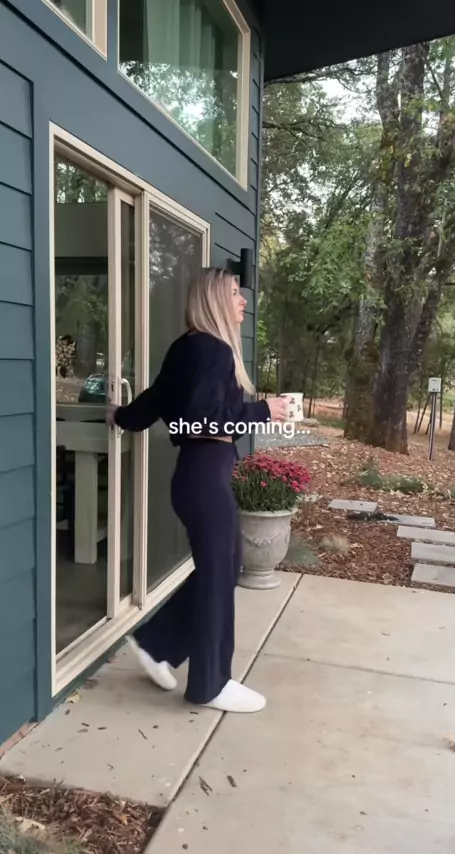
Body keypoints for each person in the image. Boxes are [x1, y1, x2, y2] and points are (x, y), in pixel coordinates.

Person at [106, 267, 288, 713]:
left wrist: (120, 416)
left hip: (197, 477)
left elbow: (155, 402)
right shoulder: (213, 350)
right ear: (213, 300)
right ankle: (211, 684)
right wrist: (264, 410)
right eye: (234, 293)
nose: (243, 301)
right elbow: (203, 419)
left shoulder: (185, 347)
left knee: (222, 568)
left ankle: (158, 644)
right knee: (220, 575)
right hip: (204, 477)